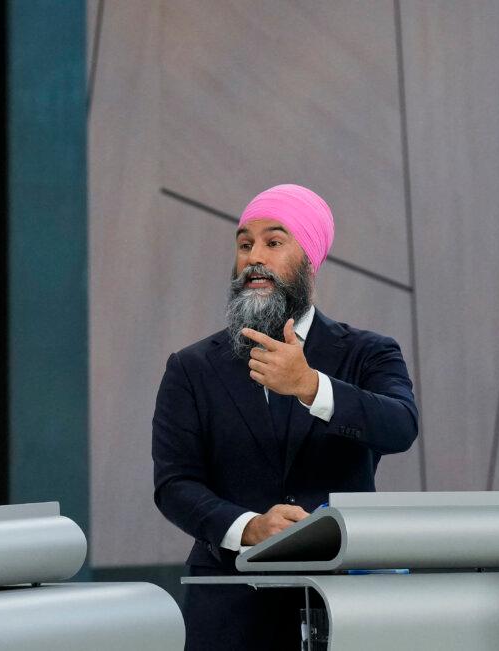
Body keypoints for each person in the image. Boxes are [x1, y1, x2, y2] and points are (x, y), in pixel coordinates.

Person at [151, 183, 418, 650]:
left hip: (344, 602)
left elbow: (400, 427)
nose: (254, 257)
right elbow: (174, 484)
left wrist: (311, 386)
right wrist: (250, 527)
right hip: (229, 609)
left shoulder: (367, 352)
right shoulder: (192, 367)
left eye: (274, 242)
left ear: (310, 258)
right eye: (244, 244)